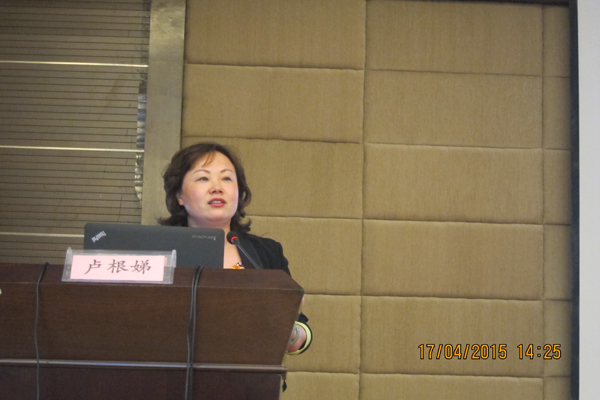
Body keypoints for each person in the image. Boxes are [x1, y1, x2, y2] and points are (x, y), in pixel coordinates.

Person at [160, 142, 311, 354]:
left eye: (227, 178)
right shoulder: (158, 251)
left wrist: (289, 327)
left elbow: (297, 338)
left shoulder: (265, 253)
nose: (217, 187)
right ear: (179, 195)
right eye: (203, 178)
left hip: (248, 372)